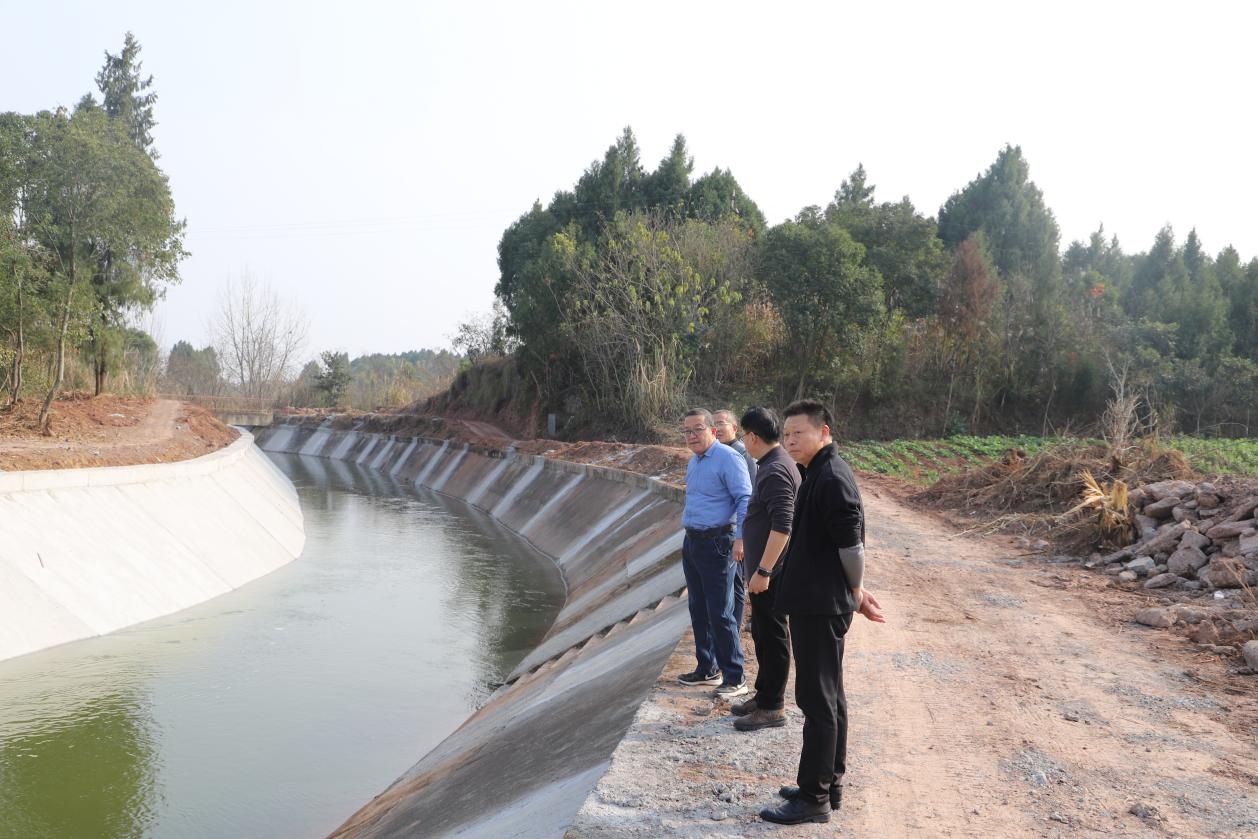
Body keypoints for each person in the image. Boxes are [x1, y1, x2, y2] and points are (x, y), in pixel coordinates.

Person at [759, 399, 885, 826]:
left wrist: (856, 590)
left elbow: (851, 545)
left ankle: (814, 798)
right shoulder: (817, 471)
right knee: (830, 696)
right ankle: (828, 784)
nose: (791, 440)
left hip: (819, 606)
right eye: (787, 434)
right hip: (816, 601)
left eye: (799, 433)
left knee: (817, 701)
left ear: (824, 432)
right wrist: (853, 589)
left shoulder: (831, 478)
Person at [728, 406, 800, 733]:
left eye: (745, 436)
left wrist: (764, 571)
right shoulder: (773, 464)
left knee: (773, 636)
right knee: (762, 632)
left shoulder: (775, 471)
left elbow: (784, 525)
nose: (745, 442)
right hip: (766, 572)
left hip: (772, 574)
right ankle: (764, 695)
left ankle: (772, 707)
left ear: (754, 437)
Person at [677, 408, 753, 699]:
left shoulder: (728, 458)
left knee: (720, 612)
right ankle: (707, 668)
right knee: (697, 607)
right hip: (693, 542)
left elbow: (745, 498)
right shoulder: (695, 461)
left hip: (718, 543)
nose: (692, 436)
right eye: (687, 431)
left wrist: (741, 539)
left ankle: (735, 676)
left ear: (713, 431)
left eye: (698, 429)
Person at [713, 408, 757, 630]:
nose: (717, 428)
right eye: (714, 424)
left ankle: (735, 626)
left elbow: (750, 494)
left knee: (738, 580)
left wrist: (743, 533)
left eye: (722, 423)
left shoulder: (741, 453)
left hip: (739, 527)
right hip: (727, 527)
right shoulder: (718, 452)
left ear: (734, 427)